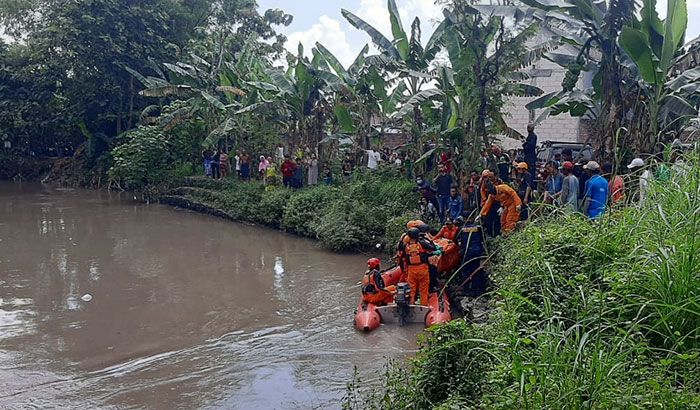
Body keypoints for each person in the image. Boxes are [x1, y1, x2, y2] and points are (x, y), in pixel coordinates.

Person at [399, 228, 437, 305]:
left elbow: (401, 253)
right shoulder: (422, 242)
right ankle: (423, 306)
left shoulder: (406, 245)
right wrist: (429, 239)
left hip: (411, 270)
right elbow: (433, 248)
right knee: (423, 289)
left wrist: (401, 239)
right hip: (422, 269)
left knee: (412, 290)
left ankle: (411, 304)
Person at [479, 170, 501, 237]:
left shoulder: (500, 182)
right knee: (488, 218)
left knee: (497, 218)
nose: (489, 178)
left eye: (491, 177)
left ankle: (497, 234)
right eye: (488, 177)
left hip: (497, 202)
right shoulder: (486, 182)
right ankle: (489, 234)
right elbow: (482, 190)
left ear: (495, 176)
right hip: (488, 201)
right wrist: (484, 198)